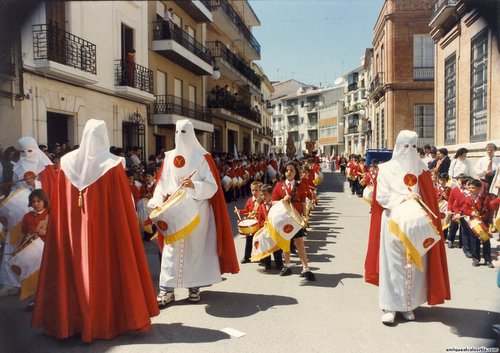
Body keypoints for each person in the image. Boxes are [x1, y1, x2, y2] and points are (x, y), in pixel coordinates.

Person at [32, 119, 159, 342]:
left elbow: (60, 203)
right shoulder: (112, 164)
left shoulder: (67, 162)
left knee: (73, 269)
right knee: (105, 270)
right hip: (105, 232)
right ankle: (104, 321)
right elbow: (122, 206)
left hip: (72, 231)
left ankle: (72, 322)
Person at [148, 119, 239, 307]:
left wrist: (194, 185)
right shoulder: (168, 157)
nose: (180, 137)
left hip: (198, 212)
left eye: (184, 132)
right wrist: (156, 202)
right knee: (170, 251)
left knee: (195, 251)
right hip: (174, 211)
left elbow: (212, 186)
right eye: (177, 132)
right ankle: (167, 290)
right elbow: (162, 184)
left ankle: (194, 287)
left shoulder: (202, 158)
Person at [365, 130, 450, 325]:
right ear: (398, 146)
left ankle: (408, 305)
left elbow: (429, 196)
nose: (409, 150)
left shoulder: (422, 169)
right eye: (406, 146)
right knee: (393, 265)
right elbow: (382, 197)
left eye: (413, 146)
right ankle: (390, 306)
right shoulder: (385, 169)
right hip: (393, 222)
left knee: (416, 264)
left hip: (415, 223)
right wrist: (404, 198)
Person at [271, 161, 315, 281]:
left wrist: (305, 215)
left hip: (296, 217)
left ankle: (305, 268)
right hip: (284, 217)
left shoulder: (300, 185)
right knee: (285, 240)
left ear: (296, 172)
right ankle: (287, 265)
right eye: (286, 170)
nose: (289, 172)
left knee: (299, 241)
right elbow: (273, 201)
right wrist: (282, 201)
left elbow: (303, 201)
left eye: (291, 170)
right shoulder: (279, 185)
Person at [19, 189, 49, 307]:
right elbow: (23, 233)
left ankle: (47, 299)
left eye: (38, 201)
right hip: (32, 251)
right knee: (33, 276)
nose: (36, 204)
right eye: (33, 201)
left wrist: (44, 232)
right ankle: (35, 299)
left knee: (46, 275)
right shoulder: (27, 216)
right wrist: (18, 248)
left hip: (46, 249)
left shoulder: (50, 214)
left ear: (44, 201)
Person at [460, 179, 494, 268]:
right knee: (474, 240)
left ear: (479, 189)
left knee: (486, 240)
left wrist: (490, 221)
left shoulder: (485, 198)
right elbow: (464, 209)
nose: (471, 190)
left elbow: (490, 210)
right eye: (470, 188)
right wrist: (471, 213)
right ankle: (476, 258)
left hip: (484, 222)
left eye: (473, 188)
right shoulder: (468, 198)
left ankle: (488, 259)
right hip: (474, 223)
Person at [257, 184, 283, 270]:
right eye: (262, 195)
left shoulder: (275, 205)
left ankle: (279, 264)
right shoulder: (261, 207)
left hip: (275, 230)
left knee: (276, 248)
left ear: (271, 195)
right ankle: (267, 263)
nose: (263, 197)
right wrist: (262, 225)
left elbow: (280, 217)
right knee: (266, 247)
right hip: (266, 230)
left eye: (265, 195)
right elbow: (259, 219)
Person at [236, 181, 262, 264]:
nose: (254, 192)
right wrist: (239, 211)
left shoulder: (262, 201)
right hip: (251, 225)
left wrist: (256, 214)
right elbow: (246, 210)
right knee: (249, 241)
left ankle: (262, 257)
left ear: (260, 191)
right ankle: (247, 257)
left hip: (259, 224)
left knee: (259, 241)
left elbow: (263, 212)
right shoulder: (250, 200)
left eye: (256, 190)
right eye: (252, 190)